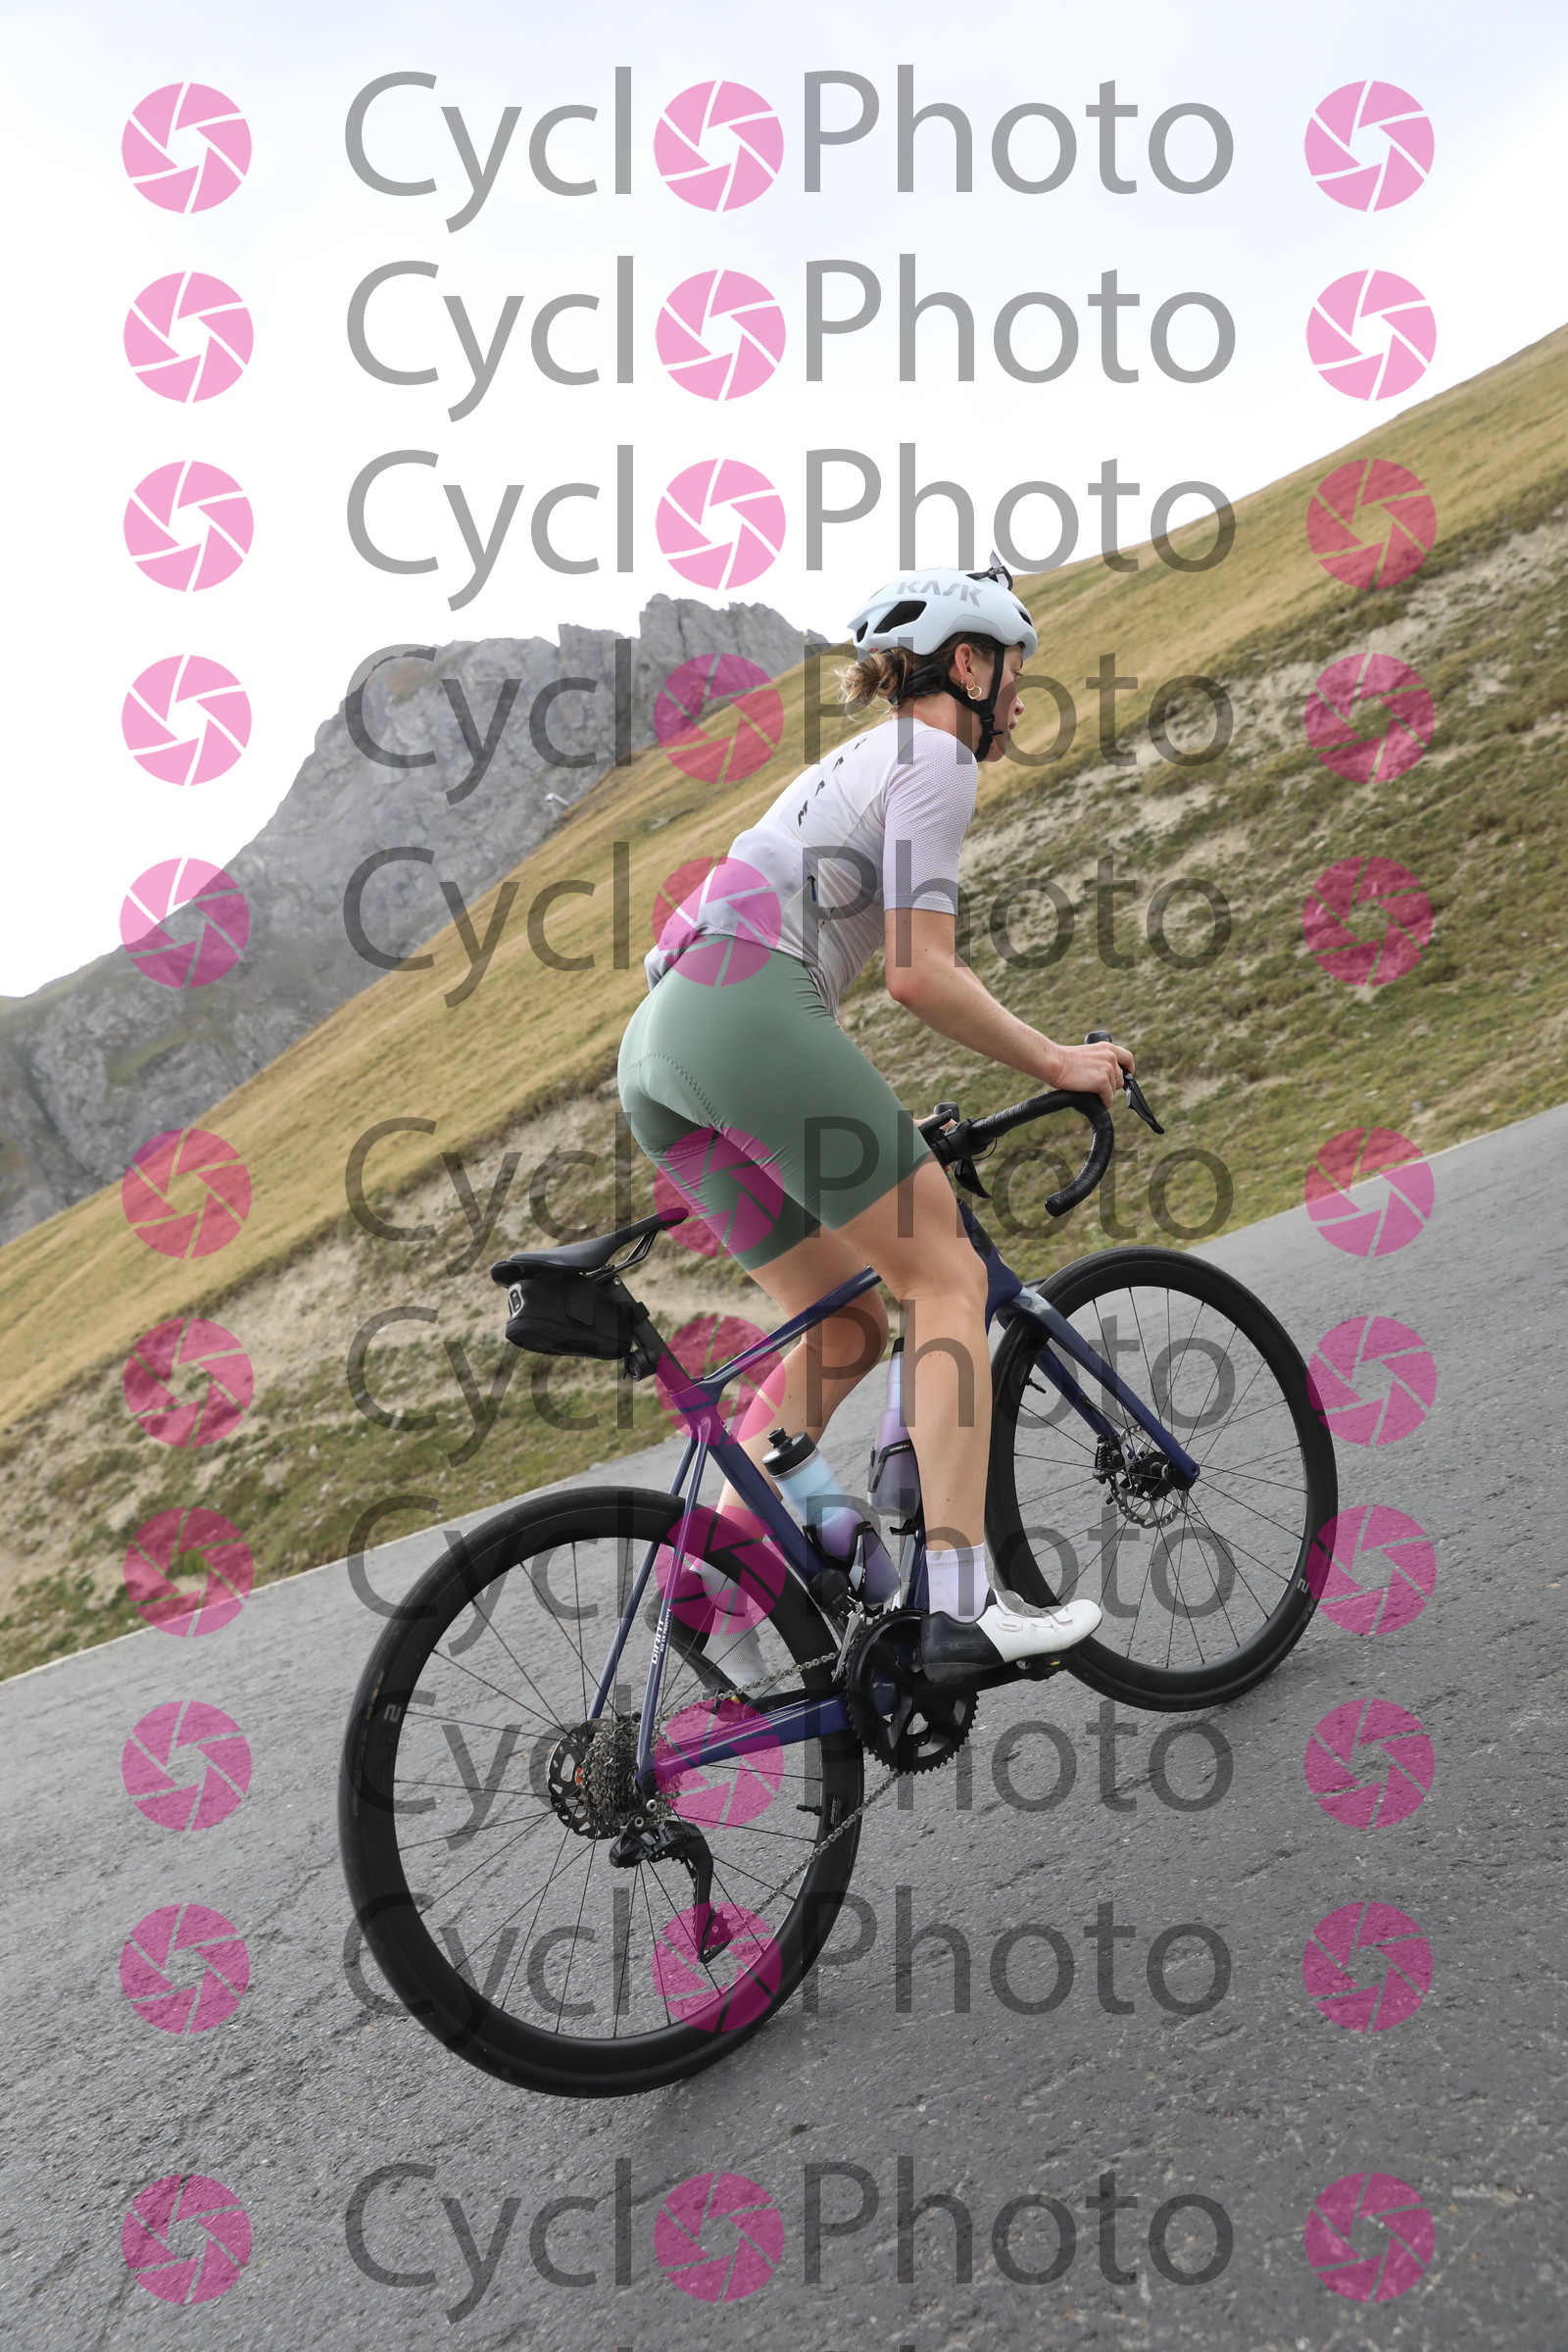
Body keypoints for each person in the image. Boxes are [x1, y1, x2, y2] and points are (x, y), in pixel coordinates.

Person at [617, 558, 1132, 1685]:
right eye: (1013, 670)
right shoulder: (936, 756)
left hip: (658, 1051)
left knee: (843, 1322)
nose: (1017, 695)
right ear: (968, 664)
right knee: (943, 1276)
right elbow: (917, 972)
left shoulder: (846, 765)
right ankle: (960, 1607)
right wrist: (1060, 1061)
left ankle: (702, 1589)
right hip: (744, 1016)